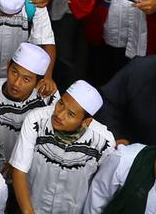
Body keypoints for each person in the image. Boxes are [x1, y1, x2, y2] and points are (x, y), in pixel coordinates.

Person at [10, 80, 115, 214]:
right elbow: (19, 169)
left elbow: (103, 189)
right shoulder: (36, 120)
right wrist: (27, 211)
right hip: (33, 206)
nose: (59, 115)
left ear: (86, 122)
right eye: (61, 104)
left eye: (70, 114)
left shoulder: (104, 142)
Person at [0, 42, 56, 159]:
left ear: (39, 83)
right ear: (7, 67)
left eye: (26, 79)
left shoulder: (48, 97)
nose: (16, 83)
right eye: (14, 72)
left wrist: (19, 161)